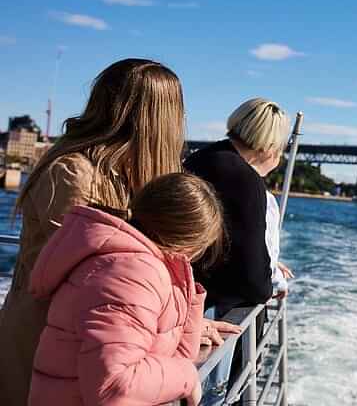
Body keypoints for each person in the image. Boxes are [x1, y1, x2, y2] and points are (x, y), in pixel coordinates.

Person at [0, 58, 190, 405]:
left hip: (95, 348)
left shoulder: (124, 177)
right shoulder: (76, 174)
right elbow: (97, 280)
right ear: (162, 119)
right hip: (51, 353)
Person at [28, 173, 238, 405]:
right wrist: (186, 375)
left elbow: (164, 349)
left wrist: (190, 309)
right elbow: (115, 385)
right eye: (202, 248)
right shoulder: (131, 273)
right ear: (187, 241)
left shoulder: (134, 265)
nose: (197, 257)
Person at [184, 98, 290, 404]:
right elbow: (255, 283)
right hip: (214, 313)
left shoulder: (200, 159)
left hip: (182, 303)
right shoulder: (245, 179)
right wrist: (271, 281)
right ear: (269, 144)